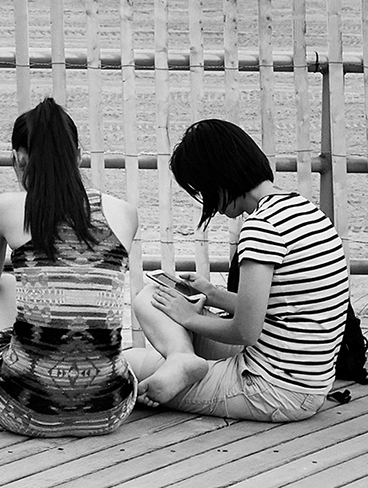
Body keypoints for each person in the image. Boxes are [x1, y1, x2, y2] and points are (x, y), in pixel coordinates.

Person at [126, 118, 349, 422]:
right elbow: (283, 306)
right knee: (152, 296)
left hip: (271, 388)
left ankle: (181, 361)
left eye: (204, 191)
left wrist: (189, 316)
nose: (211, 206)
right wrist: (212, 294)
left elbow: (245, 330)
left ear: (219, 178)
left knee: (129, 363)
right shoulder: (304, 211)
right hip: (305, 379)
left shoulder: (261, 227)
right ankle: (182, 359)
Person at [0, 98, 141, 435]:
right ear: (78, 157)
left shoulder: (6, 208)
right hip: (109, 410)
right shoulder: (124, 213)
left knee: (2, 286)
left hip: (25, 409)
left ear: (20, 158)